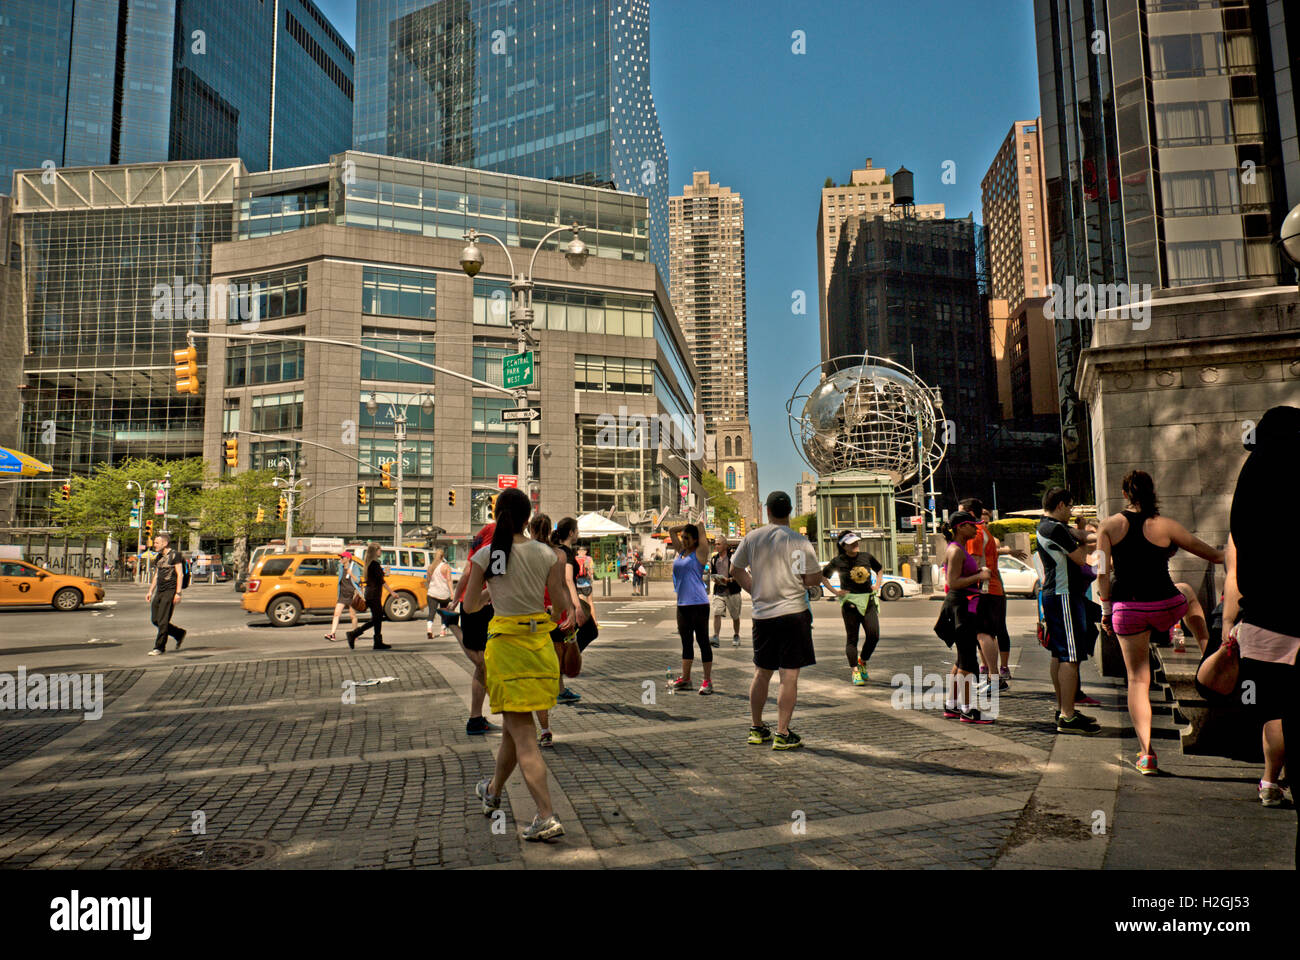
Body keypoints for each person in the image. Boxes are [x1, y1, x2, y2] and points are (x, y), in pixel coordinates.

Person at [465, 487, 573, 842]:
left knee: (523, 736)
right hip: (539, 650)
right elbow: (558, 609)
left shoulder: (487, 554)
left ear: (497, 516)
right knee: (517, 729)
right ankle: (493, 791)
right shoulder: (547, 554)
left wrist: (490, 594)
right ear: (529, 517)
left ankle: (546, 815)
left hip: (507, 652)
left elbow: (468, 608)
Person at [1097, 470, 1222, 775]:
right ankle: (1209, 652)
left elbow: (1101, 573)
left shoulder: (1109, 526)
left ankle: (1146, 755)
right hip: (1166, 606)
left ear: (1125, 494)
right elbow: (1213, 555)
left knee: (1138, 680)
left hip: (1128, 611)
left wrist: (1105, 610)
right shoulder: (1165, 525)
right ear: (1153, 493)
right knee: (1189, 594)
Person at [1210, 406, 1299, 817]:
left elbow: (1235, 562)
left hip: (1262, 618)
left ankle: (1269, 779)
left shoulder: (1250, 480)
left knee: (1274, 707)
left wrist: (1230, 624)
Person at [731, 491, 821, 749]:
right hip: (794, 614)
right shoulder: (800, 541)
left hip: (763, 616)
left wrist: (754, 589)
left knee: (761, 672)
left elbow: (735, 570)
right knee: (789, 675)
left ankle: (757, 728)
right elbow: (813, 579)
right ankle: (782, 733)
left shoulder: (752, 538)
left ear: (766, 511)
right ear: (790, 511)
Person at [1037, 487, 1102, 736]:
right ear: (1062, 505)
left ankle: (1065, 709)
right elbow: (1080, 558)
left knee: (1059, 654)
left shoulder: (1050, 526)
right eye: (1071, 507)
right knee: (1070, 657)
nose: (1072, 511)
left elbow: (1081, 535)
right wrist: (1096, 548)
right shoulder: (1054, 529)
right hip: (1064, 595)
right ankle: (1068, 715)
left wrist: (1089, 530)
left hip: (1057, 594)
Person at [532, 515, 588, 746]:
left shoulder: (525, 552)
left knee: (537, 673)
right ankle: (545, 726)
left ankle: (535, 725)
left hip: (532, 617)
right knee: (552, 665)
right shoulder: (557, 554)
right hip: (555, 614)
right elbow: (563, 586)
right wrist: (571, 611)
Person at [959, 499, 1024, 691]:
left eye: (961, 514)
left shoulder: (975, 533)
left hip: (984, 589)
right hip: (991, 589)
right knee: (987, 634)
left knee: (983, 633)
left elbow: (974, 564)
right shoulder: (983, 531)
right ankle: (993, 677)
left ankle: (994, 679)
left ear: (970, 514)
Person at [939, 513, 993, 723]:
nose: (976, 529)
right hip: (960, 608)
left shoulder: (959, 548)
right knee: (968, 662)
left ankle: (952, 705)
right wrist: (979, 576)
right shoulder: (955, 550)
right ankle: (968, 710)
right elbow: (953, 582)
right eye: (972, 525)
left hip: (963, 606)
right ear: (961, 527)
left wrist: (977, 572)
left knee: (962, 658)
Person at [452, 523, 498, 735]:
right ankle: (453, 627)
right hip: (479, 604)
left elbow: (468, 571)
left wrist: (455, 599)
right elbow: (472, 569)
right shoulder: (494, 534)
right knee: (482, 662)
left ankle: (475, 718)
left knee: (483, 665)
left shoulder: (483, 534)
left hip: (477, 603)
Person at [822, 532, 882, 685]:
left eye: (856, 542)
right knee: (852, 639)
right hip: (850, 604)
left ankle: (863, 661)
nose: (856, 544)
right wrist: (836, 592)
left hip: (868, 601)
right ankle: (855, 671)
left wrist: (877, 585)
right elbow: (823, 577)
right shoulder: (838, 561)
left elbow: (879, 569)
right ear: (843, 546)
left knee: (873, 635)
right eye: (851, 543)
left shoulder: (866, 557)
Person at [668, 523, 714, 694]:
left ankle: (707, 681)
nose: (684, 540)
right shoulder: (681, 552)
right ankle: (686, 679)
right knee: (686, 643)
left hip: (699, 604)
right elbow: (672, 530)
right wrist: (685, 526)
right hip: (682, 605)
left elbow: (701, 529)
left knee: (703, 642)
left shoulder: (700, 554)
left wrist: (696, 525)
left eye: (687, 537)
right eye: (683, 537)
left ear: (695, 539)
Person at [144, 532, 186, 656]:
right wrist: (150, 591)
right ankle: (178, 633)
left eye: (157, 543)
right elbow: (157, 575)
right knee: (155, 620)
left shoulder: (175, 555)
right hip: (160, 591)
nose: (154, 545)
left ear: (165, 543)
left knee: (163, 621)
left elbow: (180, 574)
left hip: (170, 591)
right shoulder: (159, 556)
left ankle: (159, 647)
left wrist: (178, 593)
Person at [345, 542, 393, 650]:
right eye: (379, 549)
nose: (381, 551)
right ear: (375, 551)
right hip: (374, 595)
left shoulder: (370, 564)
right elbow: (381, 581)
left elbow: (376, 578)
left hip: (371, 594)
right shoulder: (374, 564)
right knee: (377, 618)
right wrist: (392, 592)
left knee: (377, 618)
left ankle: (375, 641)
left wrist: (382, 572)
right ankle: (354, 634)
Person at [709, 535, 743, 648]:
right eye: (715, 544)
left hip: (732, 591)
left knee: (735, 616)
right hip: (719, 591)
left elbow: (740, 574)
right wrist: (715, 579)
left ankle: (736, 635)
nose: (716, 546)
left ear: (725, 545)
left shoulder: (733, 557)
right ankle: (716, 636)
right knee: (717, 613)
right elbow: (713, 573)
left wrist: (729, 580)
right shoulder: (714, 559)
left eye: (718, 544)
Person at [325, 550, 361, 642]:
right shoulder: (340, 567)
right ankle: (332, 634)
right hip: (342, 594)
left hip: (352, 594)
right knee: (336, 614)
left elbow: (358, 581)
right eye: (340, 557)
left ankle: (355, 633)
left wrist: (351, 573)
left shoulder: (355, 567)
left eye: (342, 557)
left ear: (348, 558)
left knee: (352, 616)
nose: (340, 559)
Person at [424, 549, 453, 639]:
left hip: (432, 593)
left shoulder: (430, 567)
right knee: (444, 613)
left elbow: (428, 580)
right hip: (444, 594)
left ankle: (429, 630)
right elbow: (449, 580)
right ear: (443, 556)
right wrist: (452, 593)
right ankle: (442, 631)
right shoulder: (446, 566)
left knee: (431, 612)